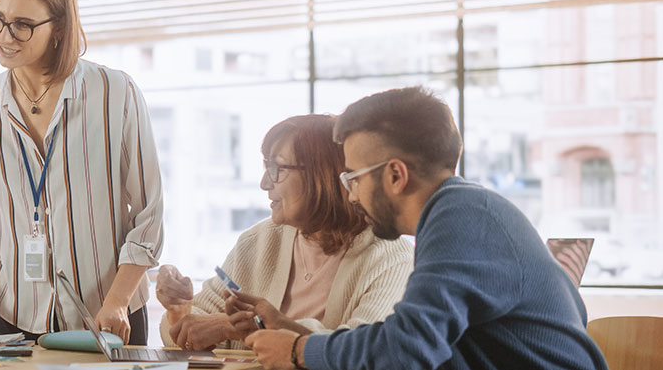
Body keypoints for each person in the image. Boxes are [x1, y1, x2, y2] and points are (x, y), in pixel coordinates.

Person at [245, 87, 608, 370]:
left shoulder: (462, 219)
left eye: (352, 178)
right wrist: (294, 331)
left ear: (395, 175)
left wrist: (298, 350)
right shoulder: (462, 210)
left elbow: (407, 351)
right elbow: (407, 338)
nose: (351, 197)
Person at [0, 0, 164, 345]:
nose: (3, 36)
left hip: (107, 317)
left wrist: (118, 301)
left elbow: (149, 215)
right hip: (15, 315)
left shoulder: (114, 92)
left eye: (22, 25)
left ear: (59, 28)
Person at [156, 114, 413, 351]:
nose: (264, 183)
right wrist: (180, 311)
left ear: (321, 176)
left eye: (277, 169)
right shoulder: (260, 241)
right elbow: (189, 332)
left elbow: (364, 352)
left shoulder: (390, 257)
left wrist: (248, 327)